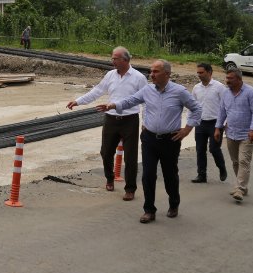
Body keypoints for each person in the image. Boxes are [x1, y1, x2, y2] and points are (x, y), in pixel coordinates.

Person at [97, 60, 201, 224]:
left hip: (170, 140)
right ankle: (149, 210)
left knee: (169, 175)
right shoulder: (147, 90)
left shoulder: (179, 91)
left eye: (156, 72)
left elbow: (196, 109)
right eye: (151, 71)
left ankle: (174, 204)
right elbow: (130, 101)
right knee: (148, 175)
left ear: (167, 74)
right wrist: (112, 105)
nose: (151, 74)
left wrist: (187, 129)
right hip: (149, 138)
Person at [66, 46, 147, 200]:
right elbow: (97, 91)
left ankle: (130, 189)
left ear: (125, 60)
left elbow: (145, 101)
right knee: (106, 152)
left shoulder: (138, 78)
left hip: (130, 120)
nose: (112, 61)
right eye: (112, 58)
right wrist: (78, 101)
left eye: (115, 59)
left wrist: (145, 122)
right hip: (111, 119)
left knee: (130, 156)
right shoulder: (110, 75)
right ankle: (109, 178)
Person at [215, 67, 253, 202]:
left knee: (243, 161)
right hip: (231, 133)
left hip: (247, 134)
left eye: (230, 78)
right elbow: (222, 111)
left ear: (239, 79)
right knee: (235, 162)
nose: (227, 80)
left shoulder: (250, 92)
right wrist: (218, 128)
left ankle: (239, 188)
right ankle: (242, 186)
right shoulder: (226, 93)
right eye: (227, 78)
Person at [190, 63, 228, 183]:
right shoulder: (196, 88)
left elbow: (226, 105)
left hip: (215, 123)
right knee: (200, 149)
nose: (199, 75)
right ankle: (201, 175)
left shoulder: (219, 87)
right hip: (201, 123)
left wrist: (225, 122)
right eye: (198, 73)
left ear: (209, 72)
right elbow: (193, 106)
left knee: (214, 149)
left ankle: (222, 167)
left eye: (201, 72)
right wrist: (191, 122)